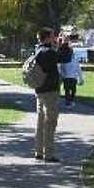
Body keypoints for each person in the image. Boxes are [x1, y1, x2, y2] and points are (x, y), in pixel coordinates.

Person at [33, 28, 72, 162]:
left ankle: (39, 151)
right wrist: (65, 44)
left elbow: (56, 56)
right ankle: (48, 154)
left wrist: (59, 45)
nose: (55, 37)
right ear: (48, 38)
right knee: (50, 122)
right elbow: (65, 58)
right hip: (50, 91)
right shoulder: (48, 52)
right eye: (53, 36)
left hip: (40, 90)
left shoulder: (39, 50)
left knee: (40, 122)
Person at [57, 36, 83, 108]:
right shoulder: (63, 55)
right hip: (66, 76)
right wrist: (61, 73)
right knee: (67, 90)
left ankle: (70, 100)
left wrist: (81, 78)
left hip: (73, 77)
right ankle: (67, 102)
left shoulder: (74, 60)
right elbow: (60, 65)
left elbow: (79, 69)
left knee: (73, 90)